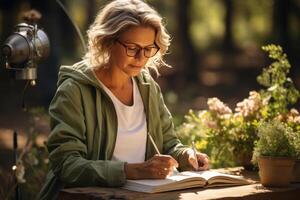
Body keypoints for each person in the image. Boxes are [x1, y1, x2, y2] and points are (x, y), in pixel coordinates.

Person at [38, 0, 209, 199]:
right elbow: (66, 164)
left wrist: (187, 156)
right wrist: (131, 171)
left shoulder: (147, 88)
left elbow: (168, 144)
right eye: (132, 47)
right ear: (108, 41)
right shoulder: (74, 91)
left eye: (148, 49)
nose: (140, 58)